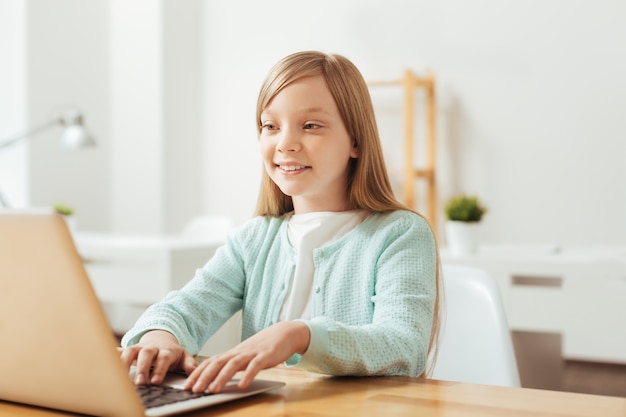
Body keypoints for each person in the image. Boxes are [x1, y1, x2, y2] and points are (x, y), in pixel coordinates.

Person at [120, 50, 441, 394]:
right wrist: (160, 337)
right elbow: (186, 308)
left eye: (311, 126)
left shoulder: (400, 234)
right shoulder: (255, 238)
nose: (285, 143)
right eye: (270, 126)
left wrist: (298, 335)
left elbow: (403, 345)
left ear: (356, 141)